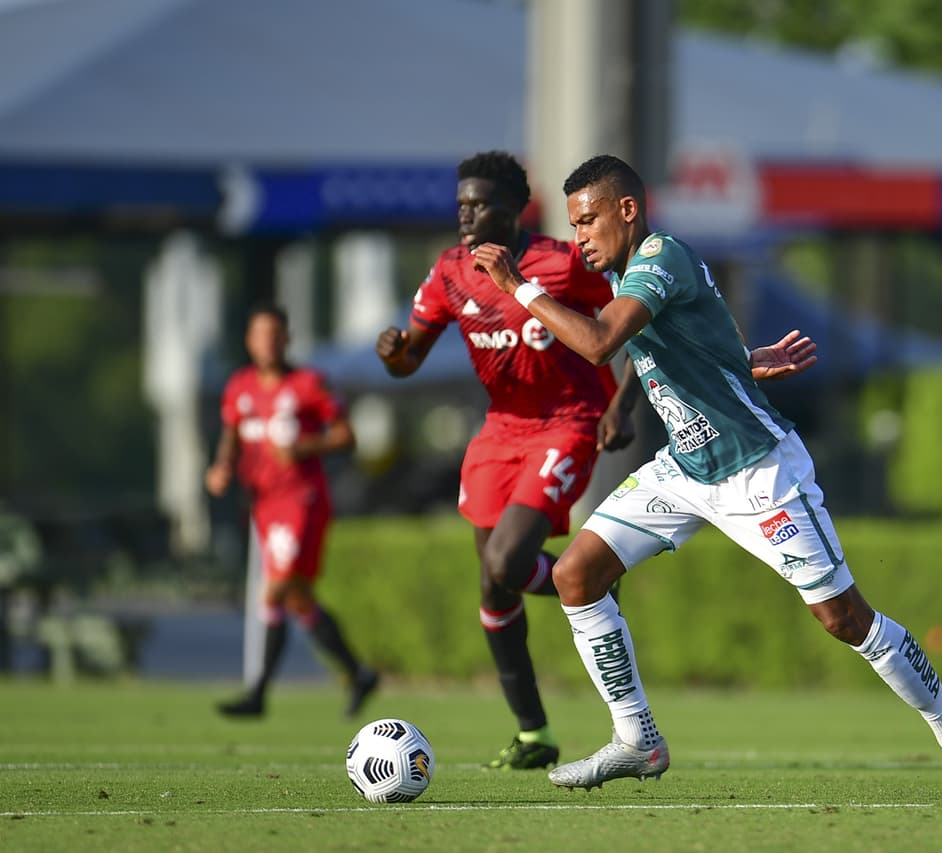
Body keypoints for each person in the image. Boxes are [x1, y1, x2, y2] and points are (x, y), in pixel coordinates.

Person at [471, 154, 942, 804]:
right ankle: (637, 737)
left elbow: (602, 342)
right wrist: (737, 365)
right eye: (572, 224)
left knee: (843, 617)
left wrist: (517, 284)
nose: (579, 236)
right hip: (683, 472)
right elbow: (686, 342)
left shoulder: (661, 256)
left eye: (587, 220)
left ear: (627, 210)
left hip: (757, 471)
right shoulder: (630, 272)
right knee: (577, 575)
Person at [376, 151, 640, 770]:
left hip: (568, 424)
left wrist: (623, 406)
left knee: (505, 560)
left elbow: (638, 328)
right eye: (462, 204)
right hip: (499, 432)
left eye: (481, 205)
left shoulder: (563, 262)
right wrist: (393, 353)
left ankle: (589, 581)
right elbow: (408, 359)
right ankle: (533, 732)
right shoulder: (448, 272)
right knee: (495, 585)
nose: (467, 216)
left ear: (514, 208)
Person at [207, 304, 379, 719]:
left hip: (301, 500)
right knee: (300, 601)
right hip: (263, 503)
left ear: (287, 339)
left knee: (277, 589)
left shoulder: (308, 384)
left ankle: (257, 695)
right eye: (259, 334)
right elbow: (231, 434)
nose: (267, 342)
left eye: (275, 334)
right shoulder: (240, 387)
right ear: (249, 341)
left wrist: (302, 447)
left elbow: (345, 435)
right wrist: (223, 466)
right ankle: (358, 674)